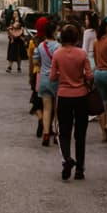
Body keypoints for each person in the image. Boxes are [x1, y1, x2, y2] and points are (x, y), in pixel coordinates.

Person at [50, 20, 94, 181]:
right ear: (76, 37)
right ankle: (80, 170)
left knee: (64, 131)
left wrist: (63, 75)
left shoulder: (57, 54)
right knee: (80, 134)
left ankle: (67, 160)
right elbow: (89, 75)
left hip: (64, 96)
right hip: (81, 96)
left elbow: (52, 77)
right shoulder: (82, 54)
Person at [36, 18, 61, 147]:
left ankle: (46, 134)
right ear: (54, 32)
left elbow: (36, 61)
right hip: (56, 80)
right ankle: (57, 134)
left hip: (44, 80)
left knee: (46, 108)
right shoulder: (58, 46)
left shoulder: (40, 46)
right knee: (57, 110)